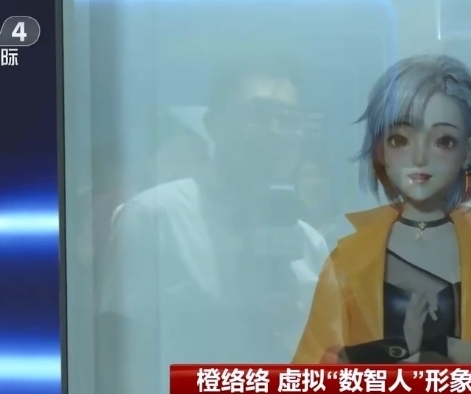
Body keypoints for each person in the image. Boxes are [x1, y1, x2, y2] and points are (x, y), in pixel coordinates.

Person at [292, 55, 471, 393]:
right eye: (400, 139)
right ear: (380, 149)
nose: (419, 158)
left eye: (443, 141)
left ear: (469, 151)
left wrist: (456, 352)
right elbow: (312, 369)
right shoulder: (347, 260)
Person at [96, 54, 329, 394]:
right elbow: (116, 356)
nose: (275, 131)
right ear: (213, 124)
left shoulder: (309, 243)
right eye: (258, 114)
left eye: (289, 119)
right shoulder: (154, 216)